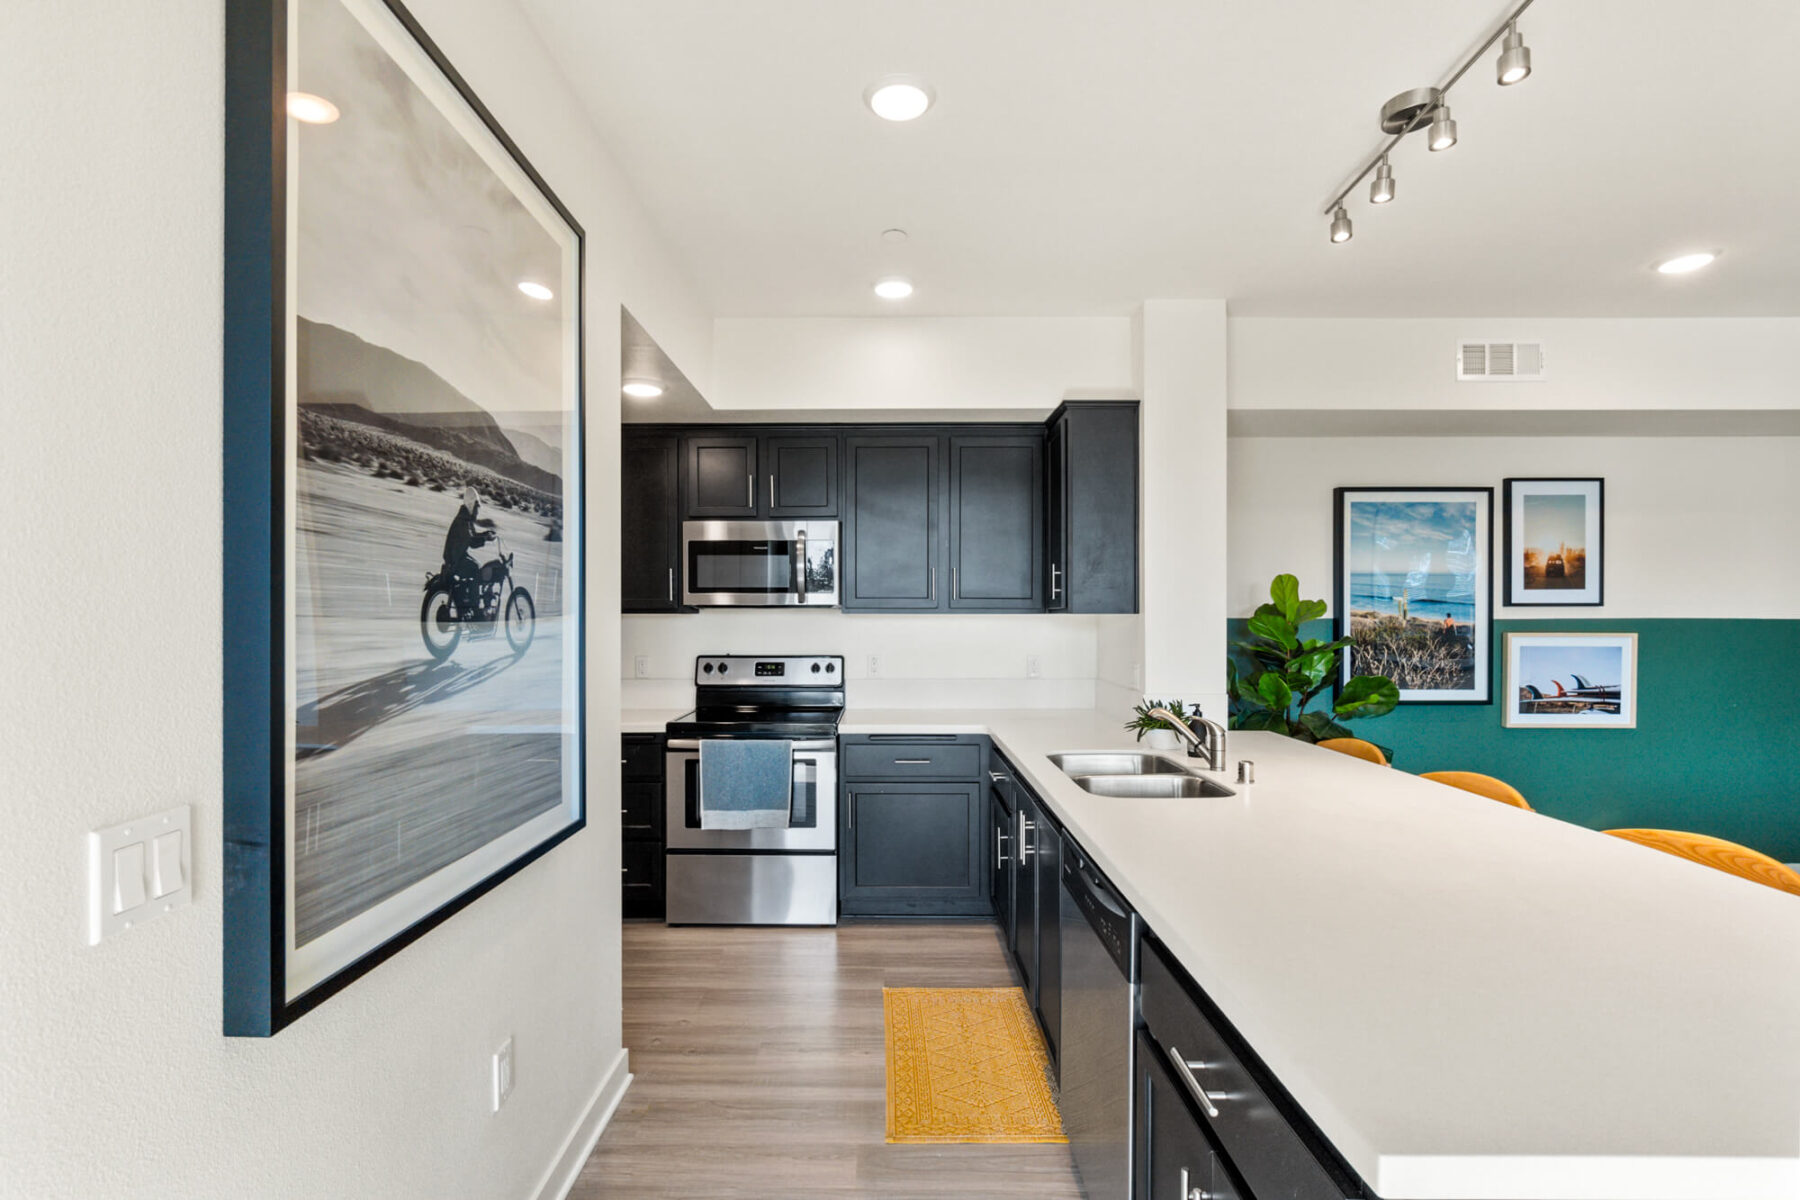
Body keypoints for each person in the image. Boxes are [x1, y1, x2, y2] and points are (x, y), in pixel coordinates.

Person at [442, 485, 495, 612]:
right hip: (455, 560)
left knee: (476, 567)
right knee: (475, 569)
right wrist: (485, 538)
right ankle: (475, 610)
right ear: (471, 505)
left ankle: (469, 601)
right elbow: (471, 541)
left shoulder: (466, 518)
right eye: (477, 507)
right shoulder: (463, 520)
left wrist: (485, 535)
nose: (477, 511)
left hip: (457, 556)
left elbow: (472, 537)